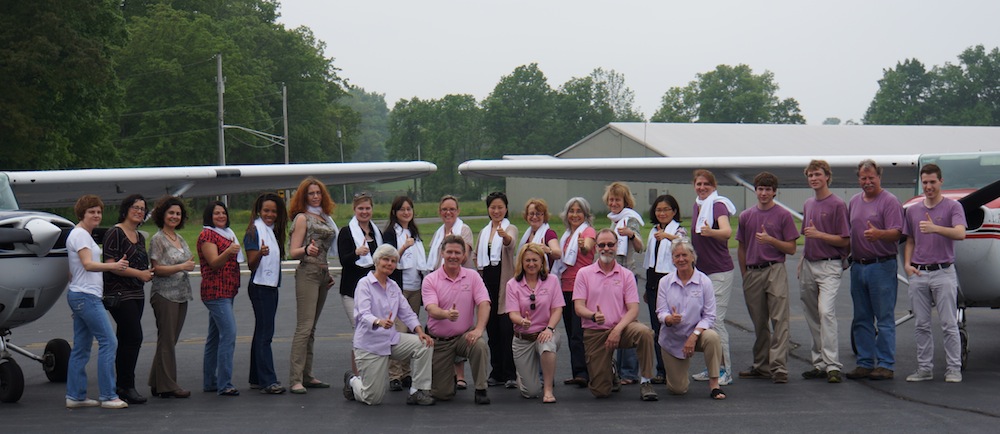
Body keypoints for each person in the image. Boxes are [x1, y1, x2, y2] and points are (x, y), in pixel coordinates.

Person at [344, 245, 436, 406]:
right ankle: (352, 381)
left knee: (424, 344)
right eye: (386, 259)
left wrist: (420, 331)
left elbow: (406, 312)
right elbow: (363, 314)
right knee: (372, 398)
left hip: (391, 340)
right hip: (369, 345)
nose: (390, 264)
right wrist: (378, 321)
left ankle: (418, 391)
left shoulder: (393, 286)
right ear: (377, 261)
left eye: (393, 261)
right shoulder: (364, 284)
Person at [573, 228, 658, 401]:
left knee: (645, 333)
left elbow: (633, 309)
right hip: (595, 332)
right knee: (600, 391)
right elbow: (578, 307)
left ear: (617, 246)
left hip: (622, 328)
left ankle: (646, 381)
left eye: (610, 244)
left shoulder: (626, 275)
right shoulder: (584, 274)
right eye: (602, 245)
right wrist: (592, 316)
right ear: (596, 247)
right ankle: (611, 370)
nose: (606, 248)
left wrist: (617, 330)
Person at [903, 164, 966, 383]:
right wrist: (907, 264)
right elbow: (910, 239)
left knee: (949, 324)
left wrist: (935, 228)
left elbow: (960, 233)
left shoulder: (953, 207)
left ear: (941, 182)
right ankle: (924, 368)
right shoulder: (913, 211)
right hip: (919, 273)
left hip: (944, 272)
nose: (928, 186)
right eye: (925, 182)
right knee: (921, 324)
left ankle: (953, 368)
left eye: (932, 182)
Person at [65, 194, 130, 409]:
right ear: (82, 213)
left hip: (80, 294)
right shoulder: (81, 236)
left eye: (99, 212)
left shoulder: (79, 234)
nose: (96, 215)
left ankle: (75, 395)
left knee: (82, 347)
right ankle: (108, 395)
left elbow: (75, 268)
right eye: (91, 211)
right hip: (86, 297)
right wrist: (115, 266)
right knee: (109, 342)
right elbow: (88, 264)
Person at [736, 172, 799, 384]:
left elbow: (791, 248)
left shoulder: (783, 215)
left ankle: (779, 366)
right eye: (760, 189)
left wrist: (771, 240)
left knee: (779, 319)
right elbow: (742, 246)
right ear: (755, 190)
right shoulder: (746, 216)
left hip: (775, 269)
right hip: (753, 272)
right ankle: (761, 365)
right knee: (759, 321)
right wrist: (745, 273)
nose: (764, 193)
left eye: (768, 189)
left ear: (774, 192)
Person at [845, 159, 904, 381]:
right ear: (858, 179)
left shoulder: (889, 201)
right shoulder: (854, 201)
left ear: (879, 177)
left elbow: (897, 232)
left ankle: (886, 364)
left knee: (885, 317)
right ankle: (865, 362)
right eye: (863, 178)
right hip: (858, 266)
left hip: (882, 265)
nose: (867, 181)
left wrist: (879, 234)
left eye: (871, 178)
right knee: (861, 318)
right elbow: (849, 232)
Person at [421, 235, 492, 405]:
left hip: (464, 337)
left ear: (464, 255)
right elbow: (431, 308)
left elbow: (484, 303)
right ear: (442, 253)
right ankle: (450, 376)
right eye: (449, 252)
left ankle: (481, 389)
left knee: (480, 345)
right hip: (440, 342)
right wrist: (446, 314)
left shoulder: (472, 276)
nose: (453, 256)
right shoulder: (430, 279)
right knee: (442, 394)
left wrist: (479, 329)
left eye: (457, 253)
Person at [799, 160, 850, 384]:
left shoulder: (837, 204)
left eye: (817, 174)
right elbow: (807, 236)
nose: (813, 178)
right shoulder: (809, 203)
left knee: (826, 311)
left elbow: (845, 240)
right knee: (812, 314)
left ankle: (832, 365)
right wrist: (802, 260)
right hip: (809, 263)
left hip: (830, 265)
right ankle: (819, 362)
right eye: (810, 175)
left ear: (827, 176)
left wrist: (820, 235)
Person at [656, 238, 726, 400]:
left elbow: (709, 316)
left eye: (685, 255)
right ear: (672, 260)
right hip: (672, 339)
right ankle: (678, 374)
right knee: (678, 389)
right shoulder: (665, 282)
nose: (681, 259)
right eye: (676, 256)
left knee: (713, 337)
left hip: (697, 335)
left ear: (693, 257)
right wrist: (669, 319)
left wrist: (694, 336)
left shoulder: (704, 282)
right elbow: (660, 312)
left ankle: (714, 384)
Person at [287, 177, 338, 394]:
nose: (316, 196)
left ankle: (307, 375)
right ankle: (295, 378)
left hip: (322, 272)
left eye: (318, 193)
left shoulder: (325, 218)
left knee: (312, 329)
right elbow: (292, 251)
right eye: (311, 193)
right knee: (304, 327)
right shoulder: (302, 218)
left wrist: (327, 272)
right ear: (303, 197)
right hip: (307, 272)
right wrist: (307, 249)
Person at [103, 194, 155, 404]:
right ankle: (127, 385)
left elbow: (140, 263)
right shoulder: (115, 233)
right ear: (125, 209)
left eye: (142, 208)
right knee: (134, 337)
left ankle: (123, 385)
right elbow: (111, 264)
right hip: (119, 293)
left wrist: (146, 272)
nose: (139, 211)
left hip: (137, 293)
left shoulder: (140, 236)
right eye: (135, 207)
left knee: (126, 339)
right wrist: (138, 274)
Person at [421, 195, 476, 390]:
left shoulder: (464, 230)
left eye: (452, 209)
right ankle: (447, 373)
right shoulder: (439, 232)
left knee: (459, 329)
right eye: (444, 209)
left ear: (458, 211)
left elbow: (464, 255)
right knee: (443, 329)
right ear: (439, 211)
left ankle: (460, 375)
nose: (448, 212)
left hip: (459, 283)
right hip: (440, 283)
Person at [690, 169, 736, 385]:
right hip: (702, 272)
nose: (702, 188)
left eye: (706, 184)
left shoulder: (718, 205)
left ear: (713, 186)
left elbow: (727, 232)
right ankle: (713, 368)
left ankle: (726, 370)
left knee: (716, 321)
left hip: (719, 271)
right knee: (706, 322)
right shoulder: (698, 205)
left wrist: (711, 233)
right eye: (698, 184)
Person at [147, 196, 195, 399]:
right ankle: (169, 385)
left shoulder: (179, 238)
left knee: (170, 340)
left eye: (178, 213)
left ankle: (156, 382)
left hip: (181, 293)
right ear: (162, 215)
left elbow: (188, 259)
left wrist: (186, 265)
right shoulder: (158, 239)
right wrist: (182, 266)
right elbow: (156, 269)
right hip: (164, 294)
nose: (175, 216)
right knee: (166, 340)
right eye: (171, 213)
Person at [506, 243, 563, 403]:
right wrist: (522, 321)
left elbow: (557, 309)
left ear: (542, 262)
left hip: (545, 332)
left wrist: (549, 329)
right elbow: (513, 314)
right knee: (530, 392)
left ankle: (548, 389)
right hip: (522, 337)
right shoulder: (512, 284)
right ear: (522, 263)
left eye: (535, 260)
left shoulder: (552, 281)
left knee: (547, 345)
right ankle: (524, 377)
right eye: (527, 260)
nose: (531, 264)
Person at [244, 193, 289, 394]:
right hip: (260, 286)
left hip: (270, 286)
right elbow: (251, 264)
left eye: (273, 211)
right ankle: (268, 380)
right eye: (266, 211)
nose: (270, 214)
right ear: (259, 211)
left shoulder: (271, 231)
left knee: (261, 332)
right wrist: (260, 255)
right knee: (265, 334)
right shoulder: (254, 231)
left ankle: (256, 377)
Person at [198, 201, 243, 396]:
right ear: (210, 216)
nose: (221, 216)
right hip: (216, 291)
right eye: (216, 213)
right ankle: (224, 384)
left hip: (227, 290)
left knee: (215, 337)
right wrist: (228, 251)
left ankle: (210, 381)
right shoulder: (207, 234)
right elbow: (214, 262)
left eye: (223, 213)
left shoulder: (228, 233)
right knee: (229, 334)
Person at [642, 194, 686, 384]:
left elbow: (684, 245)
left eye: (666, 209)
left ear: (674, 211)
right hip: (654, 284)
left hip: (670, 284)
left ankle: (674, 368)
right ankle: (661, 369)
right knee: (657, 328)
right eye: (659, 210)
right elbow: (650, 261)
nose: (662, 213)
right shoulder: (654, 231)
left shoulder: (679, 231)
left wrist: (667, 236)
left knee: (672, 328)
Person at [603, 182, 644, 386]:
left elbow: (639, 247)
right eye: (611, 199)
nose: (613, 202)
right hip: (611, 276)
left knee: (628, 322)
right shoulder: (613, 220)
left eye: (617, 199)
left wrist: (631, 234)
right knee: (614, 319)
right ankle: (618, 369)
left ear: (625, 201)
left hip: (626, 275)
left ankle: (629, 371)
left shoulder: (630, 219)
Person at [477, 191, 519, 388]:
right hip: (487, 285)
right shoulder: (484, 232)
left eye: (500, 207)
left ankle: (510, 372)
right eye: (493, 207)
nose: (496, 211)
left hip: (505, 285)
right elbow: (478, 258)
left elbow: (511, 243)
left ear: (506, 208)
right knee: (491, 329)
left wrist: (505, 237)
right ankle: (497, 371)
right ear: (488, 209)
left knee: (506, 329)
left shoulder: (510, 228)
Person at [385, 196, 428, 392]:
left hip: (415, 286)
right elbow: (387, 260)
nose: (406, 212)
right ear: (394, 212)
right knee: (397, 330)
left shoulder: (415, 232)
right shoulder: (390, 233)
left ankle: (406, 372)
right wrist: (403, 247)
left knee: (411, 329)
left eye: (409, 209)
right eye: (401, 209)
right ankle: (394, 374)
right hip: (398, 287)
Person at [554, 197, 596, 388]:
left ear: (585, 215)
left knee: (580, 333)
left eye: (579, 211)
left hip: (581, 288)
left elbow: (587, 248)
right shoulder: (566, 235)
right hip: (564, 287)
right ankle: (578, 371)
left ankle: (584, 372)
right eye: (572, 211)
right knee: (572, 333)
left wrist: (583, 246)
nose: (575, 215)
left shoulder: (587, 231)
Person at [518, 198, 562, 267]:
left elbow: (558, 253)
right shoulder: (527, 234)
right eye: (531, 214)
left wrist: (548, 250)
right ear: (526, 216)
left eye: (538, 214)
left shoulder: (549, 234)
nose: (534, 217)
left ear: (544, 216)